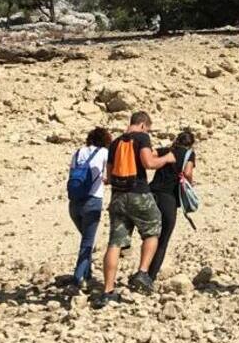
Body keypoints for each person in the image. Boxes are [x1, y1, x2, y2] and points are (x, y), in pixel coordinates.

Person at [96, 112, 177, 307]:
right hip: (139, 193)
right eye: (147, 128)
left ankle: (108, 291)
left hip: (117, 196)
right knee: (153, 229)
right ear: (142, 125)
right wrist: (167, 159)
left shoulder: (115, 143)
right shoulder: (142, 137)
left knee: (115, 243)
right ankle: (142, 272)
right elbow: (149, 163)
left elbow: (109, 174)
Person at [147, 128, 196, 282]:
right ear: (191, 144)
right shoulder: (189, 154)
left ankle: (141, 268)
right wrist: (190, 183)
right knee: (163, 239)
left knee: (150, 234)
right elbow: (187, 172)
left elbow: (150, 154)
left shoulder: (167, 151)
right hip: (169, 197)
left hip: (151, 193)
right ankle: (149, 276)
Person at [66, 127, 111, 292]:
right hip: (93, 201)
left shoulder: (78, 152)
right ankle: (78, 278)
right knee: (87, 242)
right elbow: (109, 176)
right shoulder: (104, 153)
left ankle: (87, 273)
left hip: (74, 202)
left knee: (86, 239)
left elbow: (72, 174)